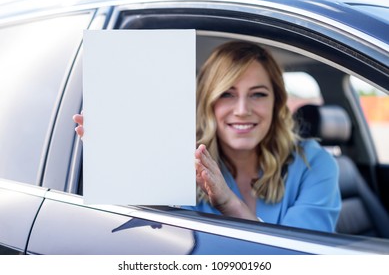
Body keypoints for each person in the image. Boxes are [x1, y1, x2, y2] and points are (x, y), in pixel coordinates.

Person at [74, 41, 341, 232]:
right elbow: (152, 226)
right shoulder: (179, 158)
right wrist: (118, 168)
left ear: (276, 102)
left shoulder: (314, 165)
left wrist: (229, 204)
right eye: (227, 93)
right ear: (207, 103)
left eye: (258, 94)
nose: (242, 110)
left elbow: (298, 262)